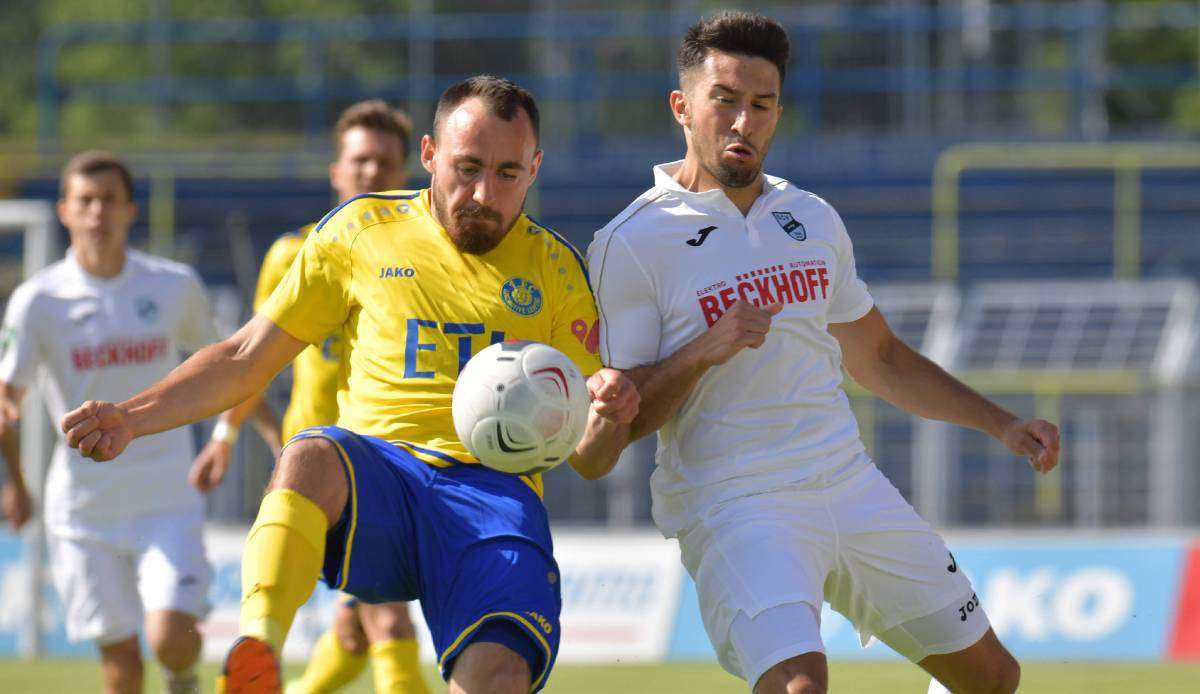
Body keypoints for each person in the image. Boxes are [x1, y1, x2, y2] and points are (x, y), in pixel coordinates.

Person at [62, 75, 638, 694]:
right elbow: (244, 356)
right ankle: (257, 651)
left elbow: (592, 460)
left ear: (535, 168)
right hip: (380, 476)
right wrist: (132, 416)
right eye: (466, 167)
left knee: (495, 680)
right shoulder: (359, 232)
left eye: (507, 173)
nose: (482, 192)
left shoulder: (556, 269)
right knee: (308, 453)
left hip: (496, 499)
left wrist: (609, 412)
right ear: (428, 155)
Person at [587, 12, 1060, 694]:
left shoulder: (811, 219)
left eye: (762, 104)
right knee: (798, 686)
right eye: (724, 100)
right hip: (734, 503)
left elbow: (883, 359)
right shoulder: (632, 241)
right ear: (682, 107)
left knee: (993, 678)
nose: (743, 122)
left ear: (779, 112)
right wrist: (702, 351)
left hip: (845, 479)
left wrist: (1002, 424)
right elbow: (624, 421)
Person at [190, 99, 430, 694]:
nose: (370, 173)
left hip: (391, 461)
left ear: (405, 174)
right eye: (358, 161)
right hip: (315, 471)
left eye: (383, 162)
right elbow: (254, 360)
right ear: (336, 172)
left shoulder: (427, 260)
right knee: (388, 617)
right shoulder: (291, 255)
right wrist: (225, 435)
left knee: (355, 633)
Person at [0, 151, 220, 694]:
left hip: (167, 496)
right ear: (65, 211)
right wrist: (15, 482)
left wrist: (228, 436)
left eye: (108, 200)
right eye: (85, 201)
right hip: (83, 509)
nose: (97, 211)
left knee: (171, 638)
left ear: (129, 210)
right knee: (120, 662)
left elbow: (226, 364)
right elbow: (8, 393)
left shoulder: (173, 286)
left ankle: (183, 676)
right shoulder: (37, 301)